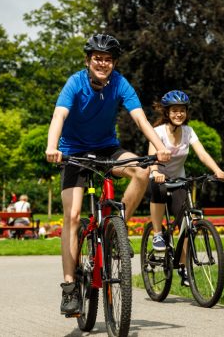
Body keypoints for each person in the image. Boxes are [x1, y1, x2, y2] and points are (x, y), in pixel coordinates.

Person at [45, 34, 171, 316]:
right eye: (98, 58)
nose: (103, 63)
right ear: (88, 60)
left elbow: (139, 117)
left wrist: (160, 147)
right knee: (73, 215)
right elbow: (59, 116)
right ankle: (69, 287)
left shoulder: (120, 83)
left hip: (106, 149)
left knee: (141, 171)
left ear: (113, 63)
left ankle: (117, 227)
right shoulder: (75, 83)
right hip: (73, 152)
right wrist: (52, 146)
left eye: (109, 59)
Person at [146, 90, 224, 287]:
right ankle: (157, 234)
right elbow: (151, 156)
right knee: (158, 189)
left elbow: (202, 153)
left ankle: (183, 267)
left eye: (182, 110)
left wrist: (217, 170)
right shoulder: (158, 132)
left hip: (179, 180)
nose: (178, 114)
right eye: (174, 110)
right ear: (167, 113)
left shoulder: (189, 132)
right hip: (159, 178)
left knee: (187, 222)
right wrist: (156, 171)